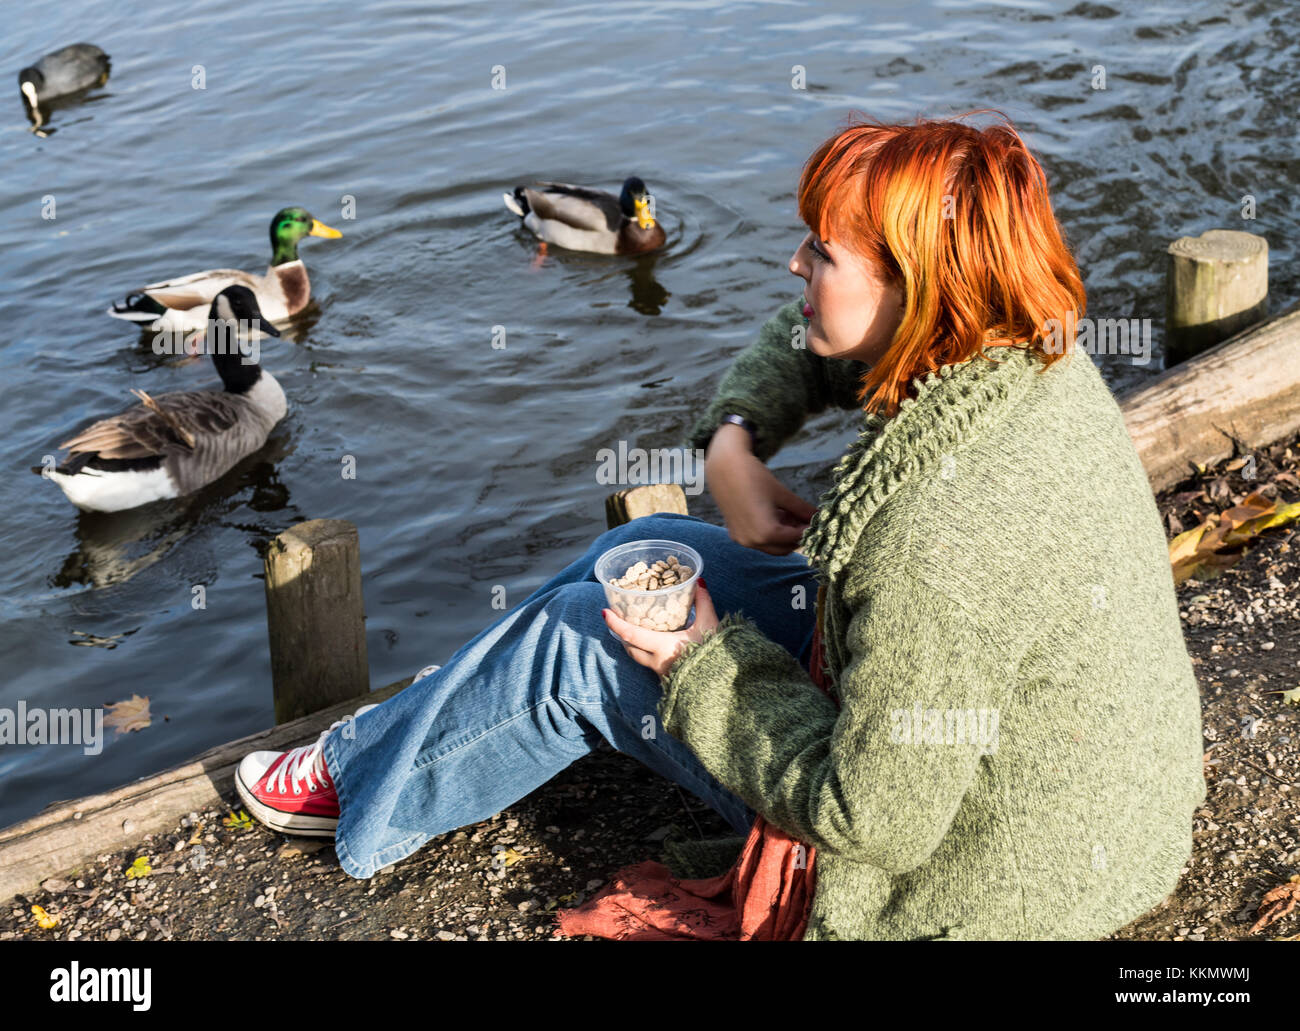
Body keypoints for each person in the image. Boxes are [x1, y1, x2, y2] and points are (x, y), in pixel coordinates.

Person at [236, 114, 1206, 940]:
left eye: (822, 252)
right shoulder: (1024, 345)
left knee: (582, 645)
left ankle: (361, 790)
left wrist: (700, 662)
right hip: (1103, 810)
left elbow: (871, 818)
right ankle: (400, 739)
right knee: (636, 557)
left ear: (914, 288)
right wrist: (733, 444)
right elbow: (806, 343)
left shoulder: (934, 535)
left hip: (974, 876)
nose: (794, 262)